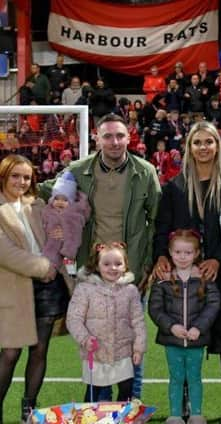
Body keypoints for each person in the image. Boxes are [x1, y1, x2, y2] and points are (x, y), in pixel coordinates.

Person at [40, 113, 161, 400]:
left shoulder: (145, 172)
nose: (115, 142)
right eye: (108, 136)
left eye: (120, 136)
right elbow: (48, 190)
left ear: (129, 137)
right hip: (92, 273)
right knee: (96, 342)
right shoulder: (79, 170)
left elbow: (156, 220)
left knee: (130, 341)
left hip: (129, 273)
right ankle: (97, 403)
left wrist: (146, 265)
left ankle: (130, 404)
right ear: (97, 138)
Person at [153, 121, 221, 424]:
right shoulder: (175, 188)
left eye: (209, 142)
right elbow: (161, 230)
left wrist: (218, 260)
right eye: (197, 142)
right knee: (184, 340)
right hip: (184, 281)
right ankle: (186, 401)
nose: (203, 148)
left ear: (218, 146)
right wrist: (161, 258)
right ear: (188, 148)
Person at [0, 155, 67, 424]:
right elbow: (5, 252)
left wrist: (57, 257)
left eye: (26, 177)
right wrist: (43, 267)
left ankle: (29, 409)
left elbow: (56, 236)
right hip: (14, 288)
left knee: (40, 350)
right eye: (15, 176)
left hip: (48, 288)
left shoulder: (38, 204)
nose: (21, 181)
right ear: (4, 176)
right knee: (11, 351)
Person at [149, 229, 221, 424]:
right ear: (170, 253)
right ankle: (175, 415)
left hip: (196, 339)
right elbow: (155, 309)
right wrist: (171, 327)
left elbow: (213, 304)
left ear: (197, 254)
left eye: (188, 253)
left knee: (195, 377)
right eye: (178, 252)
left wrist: (199, 327)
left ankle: (196, 414)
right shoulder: (163, 278)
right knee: (176, 377)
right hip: (172, 340)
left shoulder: (204, 278)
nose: (182, 257)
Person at [66, 242, 146, 402]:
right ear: (97, 265)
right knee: (93, 392)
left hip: (123, 351)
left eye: (118, 264)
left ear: (125, 266)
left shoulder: (130, 291)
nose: (113, 268)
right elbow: (74, 318)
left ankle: (123, 420)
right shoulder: (85, 289)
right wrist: (84, 338)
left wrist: (138, 348)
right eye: (107, 264)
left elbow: (138, 321)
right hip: (96, 352)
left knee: (126, 390)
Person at [41, 171, 91, 273]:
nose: (60, 202)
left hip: (66, 247)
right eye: (57, 199)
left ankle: (65, 274)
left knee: (66, 267)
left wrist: (69, 250)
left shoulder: (73, 215)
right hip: (49, 244)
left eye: (65, 200)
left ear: (71, 202)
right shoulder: (48, 210)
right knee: (48, 260)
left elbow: (75, 234)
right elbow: (42, 223)